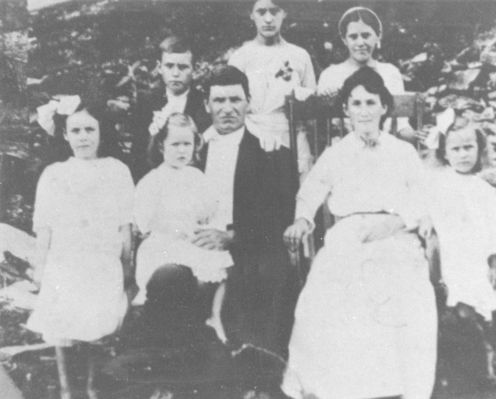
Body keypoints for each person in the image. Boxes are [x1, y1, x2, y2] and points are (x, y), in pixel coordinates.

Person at [281, 67, 437, 399]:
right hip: (348, 233)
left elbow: (423, 195)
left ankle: (393, 385)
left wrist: (396, 222)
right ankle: (343, 387)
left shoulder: (402, 152)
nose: (363, 110)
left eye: (371, 102)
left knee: (397, 280)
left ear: (384, 107)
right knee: (337, 282)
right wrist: (302, 219)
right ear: (346, 110)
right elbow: (311, 191)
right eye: (356, 103)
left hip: (395, 231)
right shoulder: (336, 154)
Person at [28, 97, 134, 399]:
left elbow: (125, 226)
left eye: (90, 129)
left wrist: (127, 266)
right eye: (76, 131)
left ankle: (92, 388)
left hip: (102, 263)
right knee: (63, 324)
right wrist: (41, 266)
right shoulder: (54, 174)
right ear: (65, 135)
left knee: (93, 327)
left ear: (101, 133)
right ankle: (66, 390)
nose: (84, 137)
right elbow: (44, 226)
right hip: (65, 262)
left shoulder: (116, 170)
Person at [196, 65, 297, 358]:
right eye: (219, 100)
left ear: (248, 102)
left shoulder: (270, 152)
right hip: (200, 242)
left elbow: (280, 214)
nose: (227, 108)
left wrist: (233, 237)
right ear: (207, 105)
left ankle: (258, 370)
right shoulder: (192, 150)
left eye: (235, 100)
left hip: (248, 244)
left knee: (267, 272)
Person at [133, 113, 233, 343]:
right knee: (177, 275)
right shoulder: (153, 180)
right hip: (164, 243)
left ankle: (214, 316)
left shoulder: (197, 177)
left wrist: (206, 223)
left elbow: (211, 208)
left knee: (224, 266)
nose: (181, 151)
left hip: (192, 239)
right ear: (161, 145)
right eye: (175, 144)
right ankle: (180, 326)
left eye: (187, 144)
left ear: (195, 145)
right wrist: (178, 230)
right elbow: (145, 222)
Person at [428, 121, 496, 383]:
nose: (463, 154)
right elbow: (427, 216)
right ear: (445, 153)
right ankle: (458, 362)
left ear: (479, 149)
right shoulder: (438, 185)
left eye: (468, 147)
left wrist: (494, 266)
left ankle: (487, 356)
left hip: (475, 261)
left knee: (478, 311)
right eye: (455, 148)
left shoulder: (485, 191)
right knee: (457, 312)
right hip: (449, 260)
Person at [228, 0, 316, 174]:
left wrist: (303, 96)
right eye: (261, 12)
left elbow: (313, 105)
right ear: (251, 15)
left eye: (274, 11)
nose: (268, 19)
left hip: (293, 137)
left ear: (284, 13)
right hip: (254, 136)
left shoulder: (299, 55)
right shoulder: (240, 57)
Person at [317, 6, 418, 142]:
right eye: (353, 37)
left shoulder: (390, 72)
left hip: (385, 150)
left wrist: (417, 135)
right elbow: (322, 128)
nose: (360, 43)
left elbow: (401, 125)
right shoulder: (330, 75)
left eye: (366, 35)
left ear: (378, 36)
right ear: (344, 39)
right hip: (344, 152)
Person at [130, 35, 210, 181]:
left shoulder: (202, 104)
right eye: (169, 66)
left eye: (183, 67)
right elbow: (137, 153)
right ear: (160, 67)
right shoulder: (147, 102)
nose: (175, 73)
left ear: (194, 68)